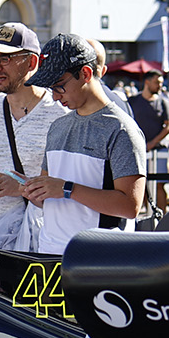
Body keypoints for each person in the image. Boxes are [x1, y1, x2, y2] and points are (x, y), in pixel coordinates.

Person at [20, 35, 146, 255]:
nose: (56, 97)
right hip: (50, 254)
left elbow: (130, 206)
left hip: (99, 260)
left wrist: (66, 189)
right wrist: (29, 189)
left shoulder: (122, 129)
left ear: (86, 74)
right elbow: (52, 194)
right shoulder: (57, 127)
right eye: (51, 89)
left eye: (59, 86)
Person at [0, 24, 67, 249]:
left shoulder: (60, 115)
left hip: (37, 251)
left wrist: (19, 186)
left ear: (32, 63)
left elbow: (72, 189)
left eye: (5, 59)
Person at [126, 70, 169, 208]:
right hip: (137, 150)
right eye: (157, 82)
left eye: (160, 82)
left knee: (159, 184)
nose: (160, 85)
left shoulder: (163, 102)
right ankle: (148, 219)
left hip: (158, 150)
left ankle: (162, 220)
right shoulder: (133, 101)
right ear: (147, 82)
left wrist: (153, 143)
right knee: (142, 185)